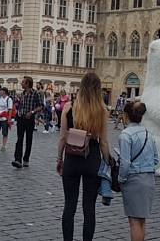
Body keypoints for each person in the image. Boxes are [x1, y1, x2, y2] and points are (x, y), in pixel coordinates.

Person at [57, 72, 110, 241]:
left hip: (72, 159)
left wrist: (59, 159)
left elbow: (63, 137)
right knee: (89, 209)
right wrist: (107, 162)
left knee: (69, 206)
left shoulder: (69, 107)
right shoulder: (102, 110)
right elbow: (103, 142)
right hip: (92, 160)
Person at [118, 101, 158, 241]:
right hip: (149, 179)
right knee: (141, 220)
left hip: (134, 181)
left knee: (134, 221)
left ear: (126, 115)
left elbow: (125, 163)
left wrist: (121, 180)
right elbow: (155, 159)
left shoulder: (125, 135)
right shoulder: (149, 133)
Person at [12, 76, 44, 168]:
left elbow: (41, 106)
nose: (21, 84)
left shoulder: (35, 93)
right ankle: (18, 159)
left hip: (29, 119)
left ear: (27, 84)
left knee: (28, 139)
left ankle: (26, 159)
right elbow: (21, 105)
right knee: (19, 139)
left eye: (23, 82)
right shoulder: (22, 93)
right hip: (21, 118)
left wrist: (32, 112)